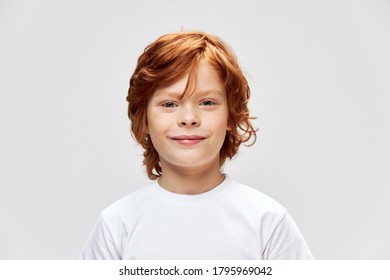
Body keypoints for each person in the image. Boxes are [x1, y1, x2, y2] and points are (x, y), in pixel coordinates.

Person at [80, 31, 314, 260]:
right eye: (170, 104)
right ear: (145, 119)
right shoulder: (116, 225)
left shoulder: (268, 222)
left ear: (231, 117)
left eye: (207, 102)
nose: (189, 118)